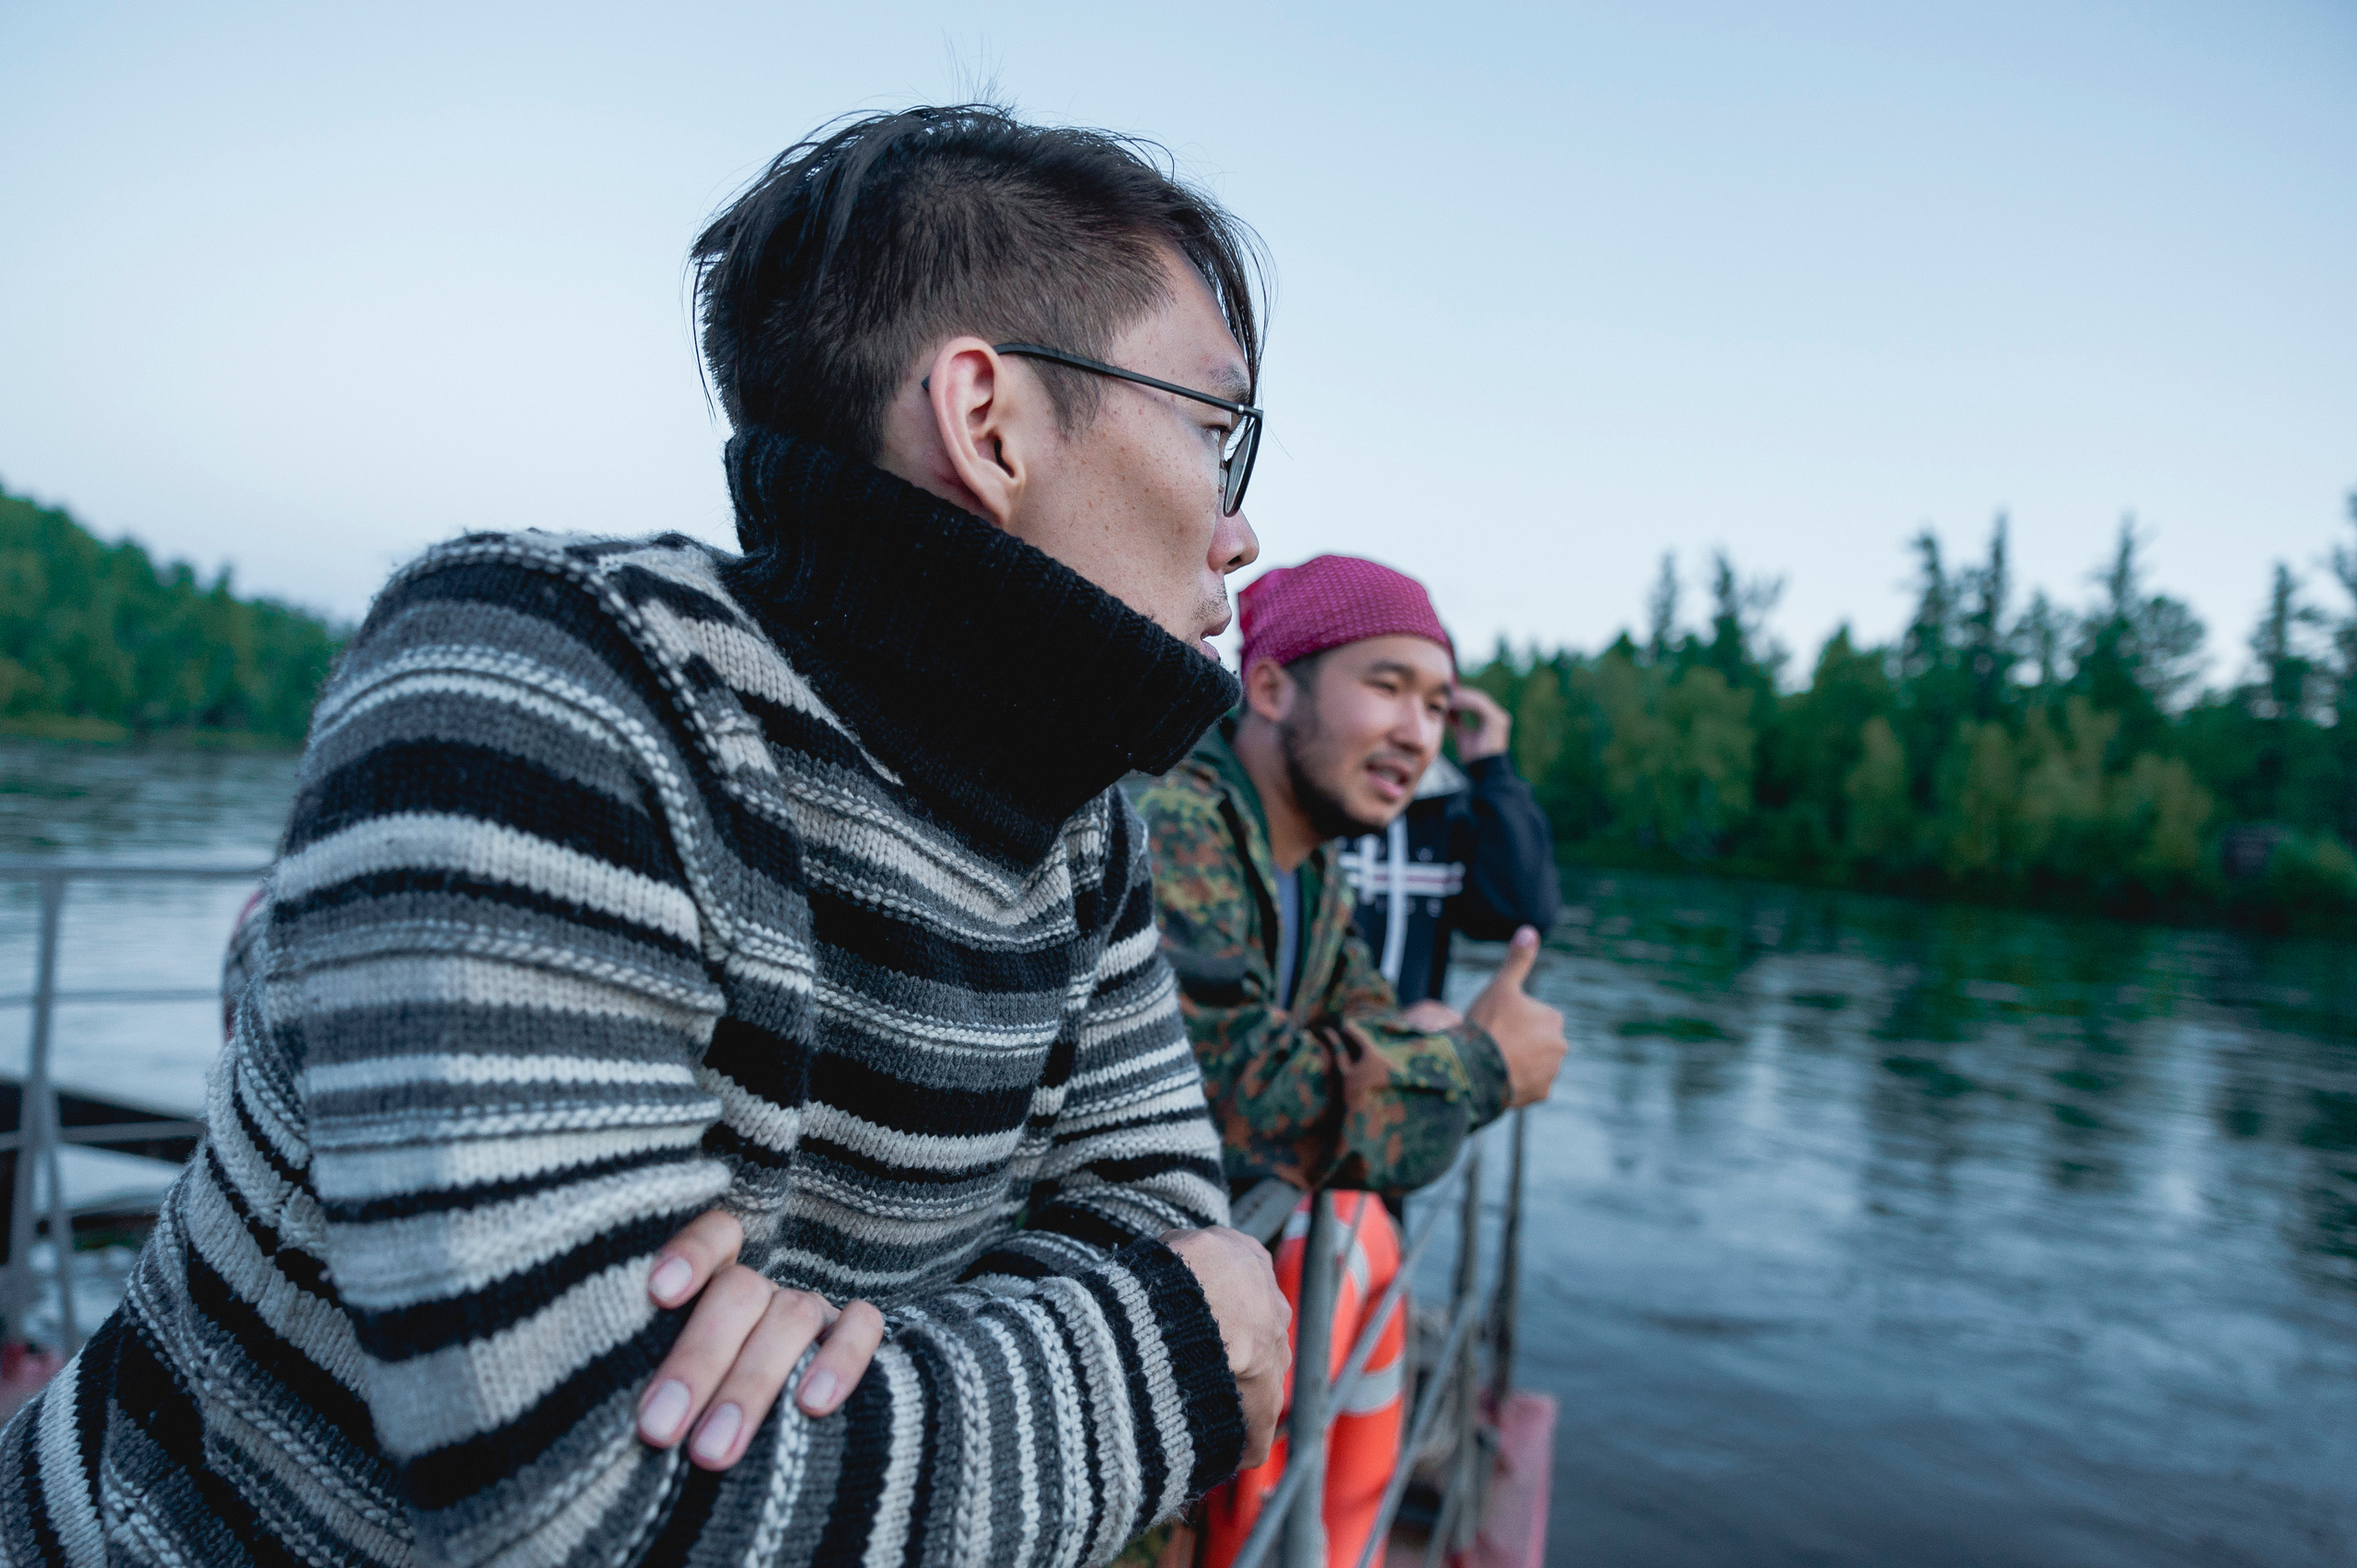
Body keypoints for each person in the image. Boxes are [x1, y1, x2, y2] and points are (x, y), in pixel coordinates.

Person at [0, 105, 1295, 1568]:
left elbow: (1152, 1217)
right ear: (988, 419)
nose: (1240, 528)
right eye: (1213, 425)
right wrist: (1161, 1355)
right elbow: (584, 1509)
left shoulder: (1081, 835)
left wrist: (840, 1361)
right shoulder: (540, 683)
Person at [1134, 555, 1566, 1568]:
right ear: (1273, 685)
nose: (1420, 733)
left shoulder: (1309, 870)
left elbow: (1362, 1025)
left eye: (1437, 703)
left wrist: (1432, 1051)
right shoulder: (1183, 824)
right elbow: (1237, 1090)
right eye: (1386, 684)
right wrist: (1478, 1064)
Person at [1339, 680, 1559, 1012]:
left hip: (1414, 1056)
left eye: (1434, 706)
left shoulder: (1452, 814)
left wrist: (1492, 768)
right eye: (1387, 690)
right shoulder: (1314, 803)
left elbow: (1524, 912)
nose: (1412, 729)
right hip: (1306, 1055)